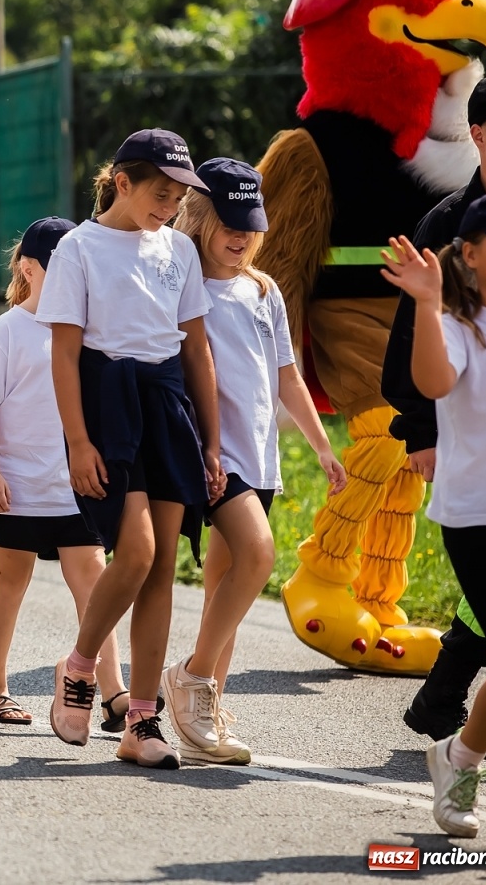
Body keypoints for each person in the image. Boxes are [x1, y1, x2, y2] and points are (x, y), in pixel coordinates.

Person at [36, 129, 223, 770]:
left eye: (178, 197)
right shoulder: (77, 249)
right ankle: (81, 665)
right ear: (122, 182)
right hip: (107, 402)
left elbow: (196, 348)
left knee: (163, 566)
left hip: (168, 400)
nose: (169, 207)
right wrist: (79, 440)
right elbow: (63, 353)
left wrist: (213, 442)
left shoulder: (178, 251)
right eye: (160, 192)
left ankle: (142, 720)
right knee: (136, 550)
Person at [163, 159, 346, 764]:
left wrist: (322, 448)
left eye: (249, 224)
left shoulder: (262, 291)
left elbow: (287, 376)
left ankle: (204, 716)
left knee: (225, 588)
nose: (239, 236)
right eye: (227, 222)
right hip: (209, 451)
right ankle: (190, 677)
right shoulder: (181, 284)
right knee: (259, 554)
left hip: (260, 455)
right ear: (200, 216)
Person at [381, 193, 486, 853]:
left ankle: (460, 756)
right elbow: (434, 383)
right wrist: (424, 302)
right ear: (469, 256)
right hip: (480, 520)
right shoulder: (460, 329)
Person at [384, 73, 486, 740]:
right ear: (477, 136)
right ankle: (455, 709)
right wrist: (421, 433)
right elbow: (408, 353)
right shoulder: (448, 228)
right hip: (472, 447)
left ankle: (447, 703)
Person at [0, 217, 130, 730]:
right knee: (10, 582)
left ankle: (114, 694)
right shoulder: (7, 331)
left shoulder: (91, 331)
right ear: (27, 268)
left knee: (95, 584)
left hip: (79, 488)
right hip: (18, 489)